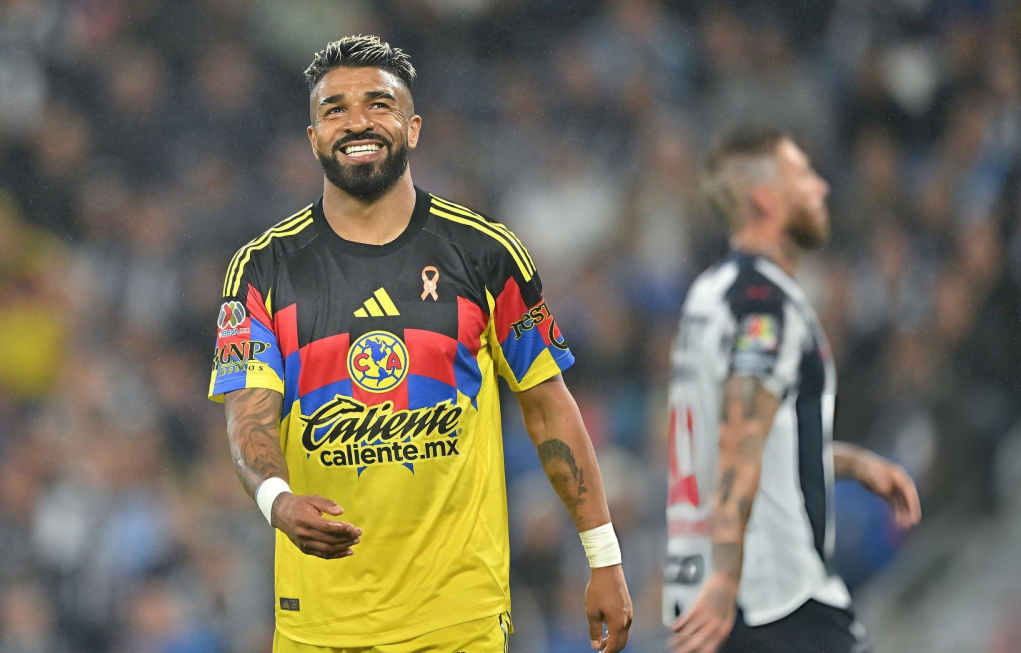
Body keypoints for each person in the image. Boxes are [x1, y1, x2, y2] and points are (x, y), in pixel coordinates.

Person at [207, 35, 632, 653]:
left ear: (413, 127)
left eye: (379, 104)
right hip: (319, 625)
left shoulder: (486, 255)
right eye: (335, 109)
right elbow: (249, 417)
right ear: (312, 137)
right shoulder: (263, 270)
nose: (357, 121)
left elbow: (548, 408)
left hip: (458, 619)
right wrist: (278, 501)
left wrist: (605, 558)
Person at [663, 126, 922, 653]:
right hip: (772, 597)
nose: (821, 187)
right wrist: (730, 581)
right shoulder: (765, 304)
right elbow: (742, 433)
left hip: (703, 583)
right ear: (765, 198)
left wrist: (851, 464)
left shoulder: (710, 295)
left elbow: (745, 438)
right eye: (802, 175)